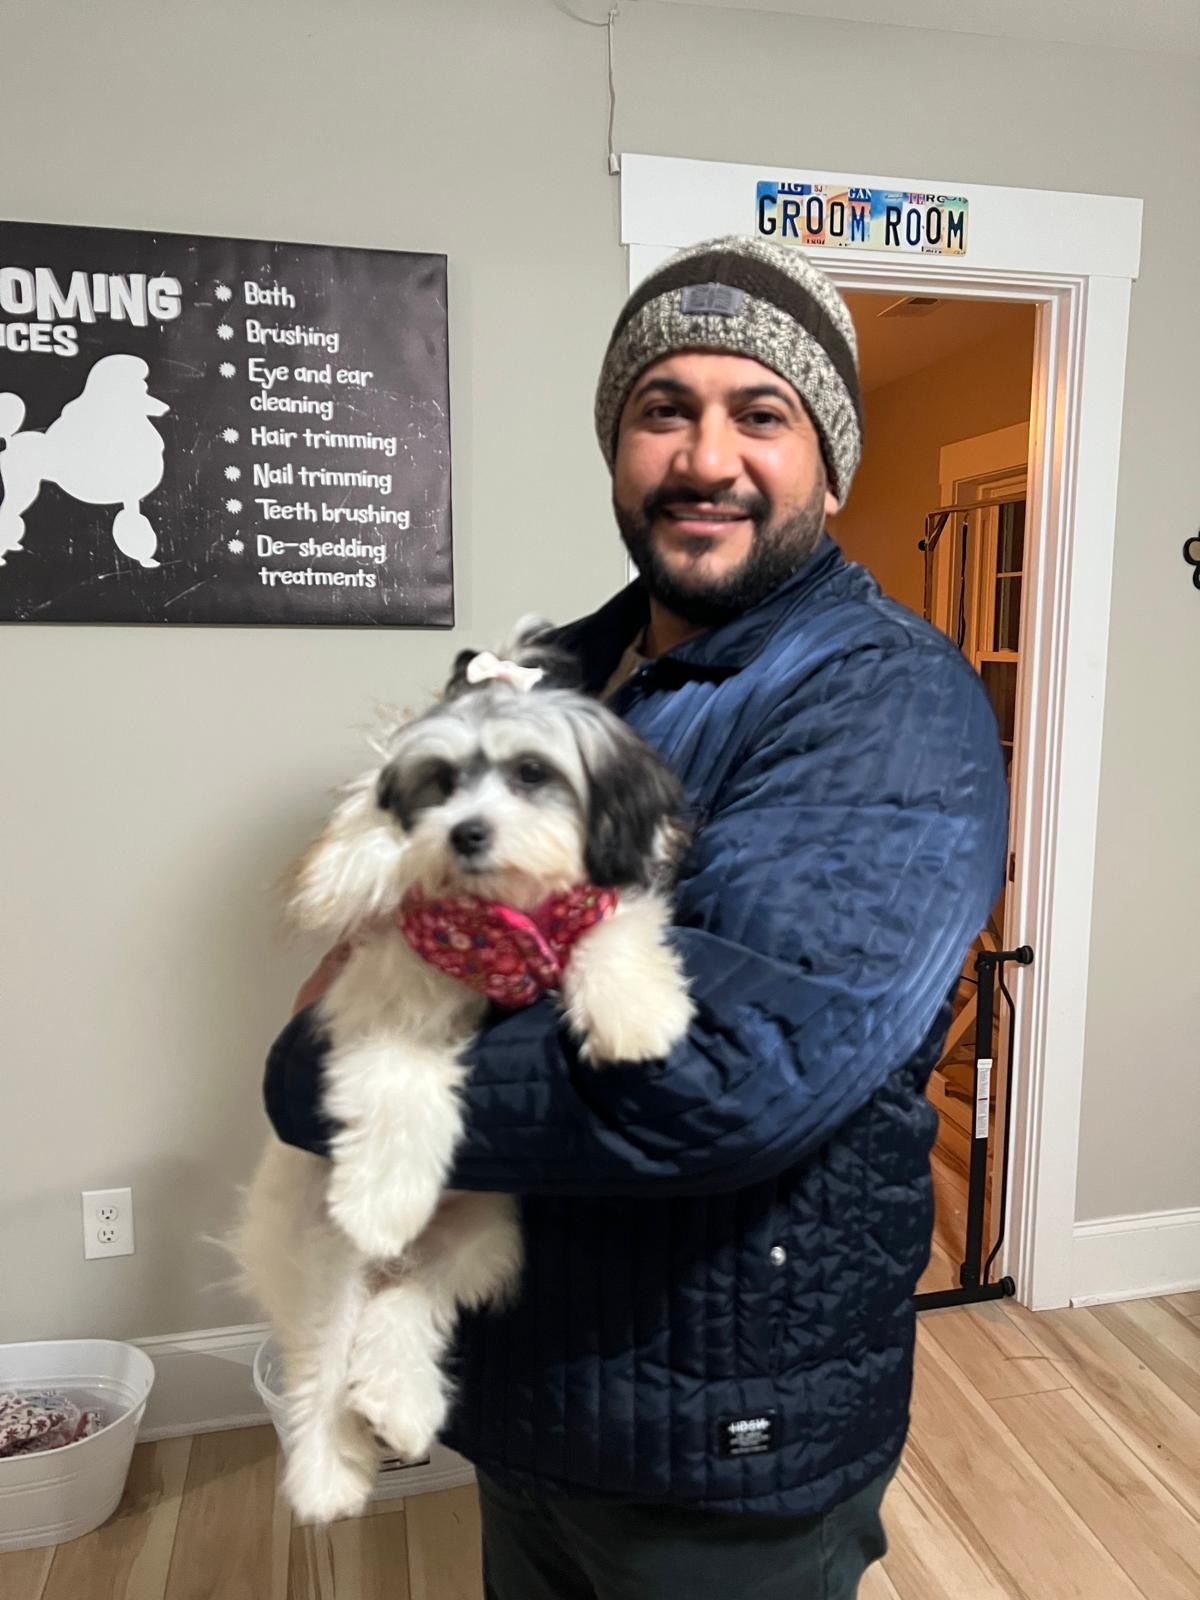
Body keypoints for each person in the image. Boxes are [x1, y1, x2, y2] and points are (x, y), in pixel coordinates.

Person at [263, 236, 1008, 1598]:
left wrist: (340, 1080)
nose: (706, 457)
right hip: (526, 1389)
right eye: (665, 409)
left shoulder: (883, 701)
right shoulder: (537, 679)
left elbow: (724, 1076)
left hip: (722, 1441)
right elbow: (386, 919)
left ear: (830, 464)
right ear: (617, 448)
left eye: (760, 414)